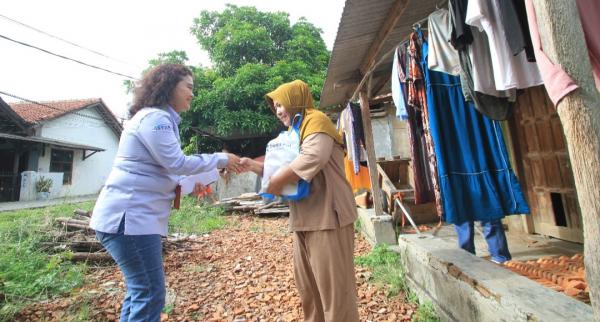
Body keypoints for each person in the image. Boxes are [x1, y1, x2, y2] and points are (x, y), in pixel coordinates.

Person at [90, 63, 241, 322]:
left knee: (140, 291)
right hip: (129, 220)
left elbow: (172, 175)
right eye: (189, 87)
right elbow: (177, 164)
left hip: (131, 219)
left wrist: (216, 170)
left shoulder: (158, 119)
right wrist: (221, 158)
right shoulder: (156, 119)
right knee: (149, 292)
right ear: (169, 86)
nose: (192, 94)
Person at [240, 80, 360, 322]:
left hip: (328, 216)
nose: (278, 111)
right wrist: (253, 166)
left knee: (335, 293)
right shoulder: (293, 132)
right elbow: (283, 169)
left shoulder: (316, 120)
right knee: (309, 290)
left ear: (295, 99)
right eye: (275, 107)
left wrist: (273, 183)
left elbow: (311, 158)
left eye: (281, 104)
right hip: (304, 218)